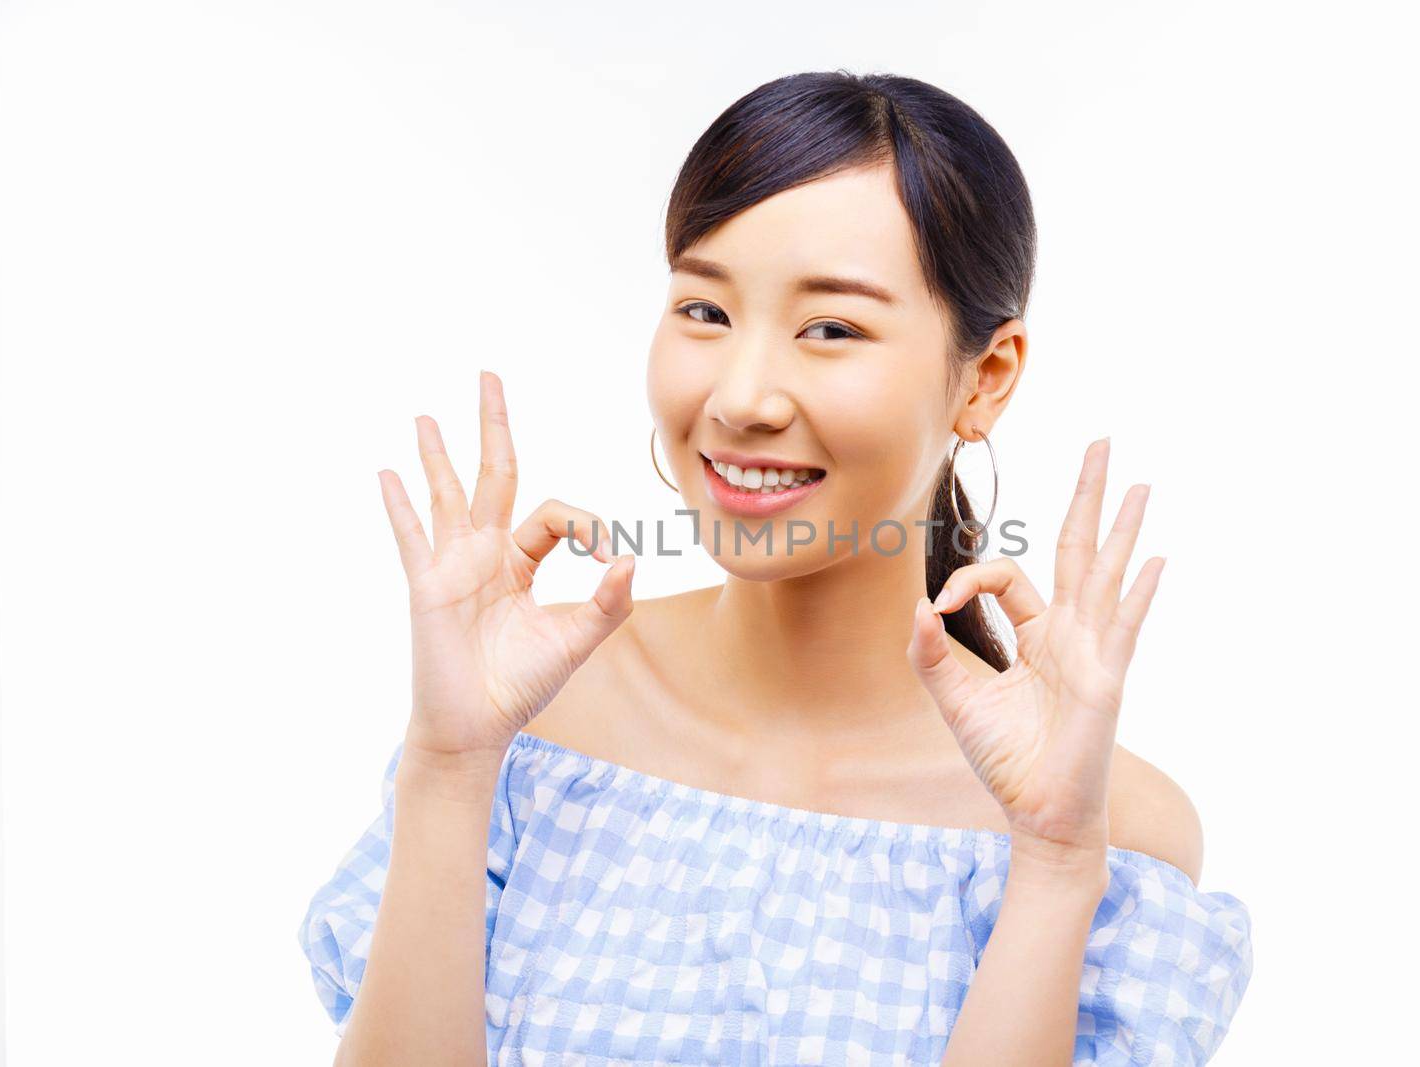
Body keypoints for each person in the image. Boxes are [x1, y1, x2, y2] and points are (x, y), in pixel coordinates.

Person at [298, 71, 1254, 1066]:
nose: (742, 396)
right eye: (704, 310)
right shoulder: (528, 731)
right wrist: (450, 766)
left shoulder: (1107, 826)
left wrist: (1055, 857)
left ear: (986, 377)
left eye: (830, 328)